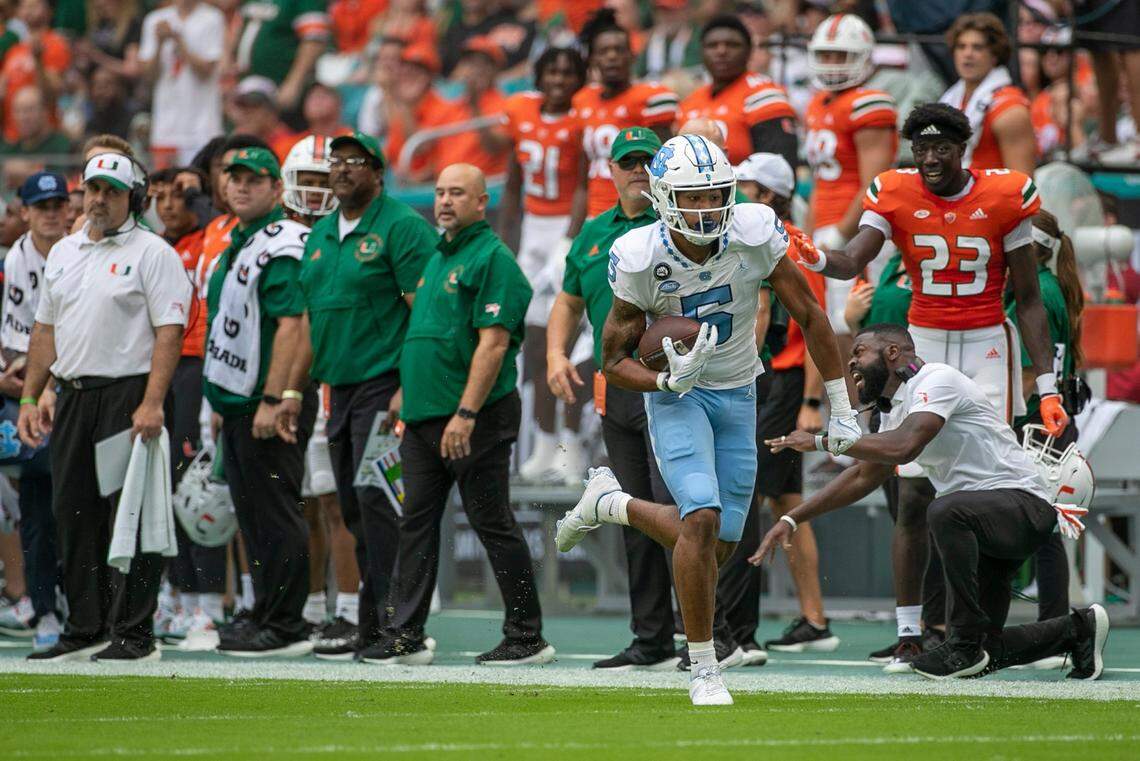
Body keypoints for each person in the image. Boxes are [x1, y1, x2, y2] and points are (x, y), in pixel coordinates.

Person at [555, 135, 860, 706]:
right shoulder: (638, 254)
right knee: (699, 519)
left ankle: (610, 504)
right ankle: (704, 667)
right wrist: (665, 383)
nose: (705, 209)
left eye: (715, 195)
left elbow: (811, 314)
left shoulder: (754, 229)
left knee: (719, 545)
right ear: (664, 199)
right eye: (692, 198)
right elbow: (613, 361)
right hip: (679, 397)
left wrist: (840, 405)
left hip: (740, 390)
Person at [752, 323, 1108, 682]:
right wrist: (792, 519)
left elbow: (905, 446)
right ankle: (1078, 630)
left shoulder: (937, 379)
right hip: (986, 520)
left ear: (892, 352)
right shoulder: (895, 408)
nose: (851, 363)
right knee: (987, 649)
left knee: (943, 509)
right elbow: (863, 477)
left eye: (859, 352)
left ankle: (961, 643)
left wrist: (821, 442)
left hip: (1023, 506)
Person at [800, 103, 1068, 438]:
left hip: (987, 342)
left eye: (941, 148)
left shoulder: (1004, 194)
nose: (929, 159)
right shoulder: (894, 191)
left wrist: (1048, 389)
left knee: (987, 448)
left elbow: (1029, 299)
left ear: (962, 149)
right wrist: (819, 259)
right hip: (924, 342)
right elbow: (853, 259)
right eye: (921, 149)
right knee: (914, 456)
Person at [376, 163, 552, 667]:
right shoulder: (437, 257)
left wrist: (467, 412)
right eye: (439, 192)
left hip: (476, 417)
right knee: (415, 523)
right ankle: (405, 636)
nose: (445, 201)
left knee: (490, 522)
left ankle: (526, 636)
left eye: (457, 193)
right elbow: (426, 336)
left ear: (481, 202)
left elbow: (493, 345)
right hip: (424, 417)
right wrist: (405, 392)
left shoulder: (493, 259)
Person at [19, 153, 191, 662]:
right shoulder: (64, 251)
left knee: (129, 512)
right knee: (72, 512)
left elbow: (169, 331)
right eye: (93, 188)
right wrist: (32, 393)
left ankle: (134, 633)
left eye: (111, 191)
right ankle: (85, 626)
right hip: (74, 392)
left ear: (133, 198)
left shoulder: (154, 253)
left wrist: (153, 401)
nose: (98, 199)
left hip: (128, 393)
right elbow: (45, 328)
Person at [280, 132, 435, 661]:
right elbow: (312, 320)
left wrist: (407, 385)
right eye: (336, 161)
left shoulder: (401, 226)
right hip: (336, 390)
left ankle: (403, 627)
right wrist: (290, 390)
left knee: (380, 503)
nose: (342, 170)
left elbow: (423, 312)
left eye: (355, 161)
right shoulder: (322, 233)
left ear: (377, 172)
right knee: (352, 506)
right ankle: (374, 624)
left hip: (383, 383)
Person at [547, 126, 678, 670]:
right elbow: (568, 299)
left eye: (647, 161)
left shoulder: (677, 224)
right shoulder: (593, 233)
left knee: (679, 509)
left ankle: (711, 633)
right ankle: (652, 639)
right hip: (617, 389)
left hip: (671, 385)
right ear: (612, 170)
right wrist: (556, 354)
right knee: (635, 513)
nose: (638, 170)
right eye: (628, 162)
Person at [203, 147, 317, 657]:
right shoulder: (243, 239)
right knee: (252, 514)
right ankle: (266, 607)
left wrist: (276, 397)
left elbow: (293, 325)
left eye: (255, 179)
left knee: (275, 512)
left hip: (265, 400)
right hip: (239, 399)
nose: (242, 186)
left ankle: (287, 623)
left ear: (277, 188)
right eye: (235, 178)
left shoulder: (283, 242)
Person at [728, 152, 839, 656]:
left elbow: (816, 324)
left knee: (752, 497)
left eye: (745, 186)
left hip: (785, 383)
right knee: (786, 502)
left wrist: (812, 401)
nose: (734, 194)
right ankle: (813, 618)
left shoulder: (790, 243)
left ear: (768, 194)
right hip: (773, 381)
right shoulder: (755, 238)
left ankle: (741, 625)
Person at [498, 46, 588, 485]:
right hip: (533, 230)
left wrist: (570, 236)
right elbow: (512, 183)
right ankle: (545, 442)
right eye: (551, 71)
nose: (559, 79)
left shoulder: (584, 118)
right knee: (535, 345)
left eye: (568, 72)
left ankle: (572, 443)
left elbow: (585, 183)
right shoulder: (519, 111)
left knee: (565, 343)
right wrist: (504, 243)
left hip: (569, 228)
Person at [0, 172, 68, 650]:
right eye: (41, 205)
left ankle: (81, 602)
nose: (50, 213)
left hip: (72, 387)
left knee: (81, 503)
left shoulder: (81, 254)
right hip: (20, 388)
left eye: (57, 204)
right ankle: (43, 606)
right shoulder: (9, 263)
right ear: (24, 212)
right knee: (38, 503)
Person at [803, 13, 898, 340]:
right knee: (833, 324)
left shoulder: (868, 103)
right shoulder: (817, 104)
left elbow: (876, 182)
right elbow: (820, 180)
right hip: (828, 227)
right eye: (825, 55)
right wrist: (811, 231)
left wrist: (842, 232)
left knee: (859, 326)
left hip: (861, 230)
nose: (831, 64)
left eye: (840, 55)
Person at [569, 8, 678, 226]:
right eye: (604, 51)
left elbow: (666, 169)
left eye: (619, 50)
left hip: (641, 216)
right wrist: (571, 233)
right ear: (592, 59)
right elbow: (582, 180)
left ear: (632, 54)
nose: (612, 56)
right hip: (596, 216)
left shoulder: (651, 97)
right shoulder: (582, 100)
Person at [678, 14, 797, 168]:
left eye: (732, 45)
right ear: (702, 52)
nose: (721, 51)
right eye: (712, 45)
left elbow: (778, 171)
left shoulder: (764, 95)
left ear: (749, 51)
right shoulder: (689, 102)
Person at [939, 13, 1035, 175]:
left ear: (995, 55)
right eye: (961, 46)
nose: (967, 54)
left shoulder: (1010, 110)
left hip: (990, 191)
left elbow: (1022, 182)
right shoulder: (951, 99)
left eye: (977, 47)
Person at [138, 0, 226, 167]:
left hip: (202, 128)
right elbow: (147, 76)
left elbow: (206, 70)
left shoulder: (212, 18)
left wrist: (179, 40)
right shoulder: (155, 19)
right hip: (165, 127)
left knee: (200, 177)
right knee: (164, 180)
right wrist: (159, 43)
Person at [229, 0, 330, 115]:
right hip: (246, 83)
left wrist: (294, 83)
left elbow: (314, 40)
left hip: (280, 83)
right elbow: (238, 24)